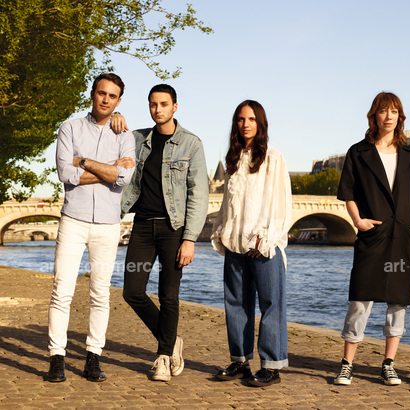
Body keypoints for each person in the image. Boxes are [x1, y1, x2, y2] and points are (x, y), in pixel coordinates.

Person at [45, 73, 136, 383]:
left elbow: (125, 178)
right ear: (92, 94)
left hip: (108, 224)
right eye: (101, 93)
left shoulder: (124, 135)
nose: (105, 99)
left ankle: (93, 358)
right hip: (73, 219)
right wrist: (110, 170)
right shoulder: (69, 128)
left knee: (100, 293)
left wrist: (83, 161)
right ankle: (57, 358)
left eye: (112, 96)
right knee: (62, 291)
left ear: (119, 101)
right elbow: (65, 173)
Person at [116, 84, 208, 381]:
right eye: (153, 104)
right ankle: (171, 340)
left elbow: (198, 194)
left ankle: (164, 358)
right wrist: (115, 116)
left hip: (173, 230)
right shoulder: (136, 139)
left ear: (175, 107)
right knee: (132, 291)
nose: (158, 109)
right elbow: (107, 141)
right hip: (142, 228)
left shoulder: (191, 144)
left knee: (168, 296)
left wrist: (190, 239)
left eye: (164, 104)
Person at [334, 92, 410, 386]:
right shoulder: (358, 152)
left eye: (394, 112)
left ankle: (388, 364)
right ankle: (347, 364)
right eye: (383, 111)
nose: (389, 116)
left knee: (398, 302)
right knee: (360, 300)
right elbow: (348, 192)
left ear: (400, 117)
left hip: (404, 236)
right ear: (374, 116)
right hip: (372, 235)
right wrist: (357, 221)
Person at [211, 100, 292, 387]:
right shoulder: (233, 160)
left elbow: (281, 203)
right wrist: (221, 231)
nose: (245, 124)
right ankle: (240, 361)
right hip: (235, 242)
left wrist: (266, 238)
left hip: (262, 245)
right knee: (235, 303)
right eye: (241, 119)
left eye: (251, 119)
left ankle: (271, 366)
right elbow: (228, 204)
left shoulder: (273, 158)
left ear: (260, 123)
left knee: (271, 304)